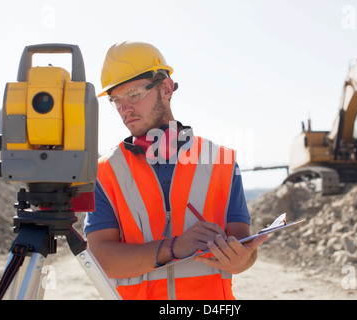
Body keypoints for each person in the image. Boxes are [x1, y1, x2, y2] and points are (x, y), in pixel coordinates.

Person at [84, 41, 268, 300]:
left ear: (166, 88)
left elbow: (244, 251)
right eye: (116, 100)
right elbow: (101, 259)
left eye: (134, 94)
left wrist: (238, 261)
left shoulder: (221, 161)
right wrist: (173, 247)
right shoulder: (105, 172)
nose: (124, 108)